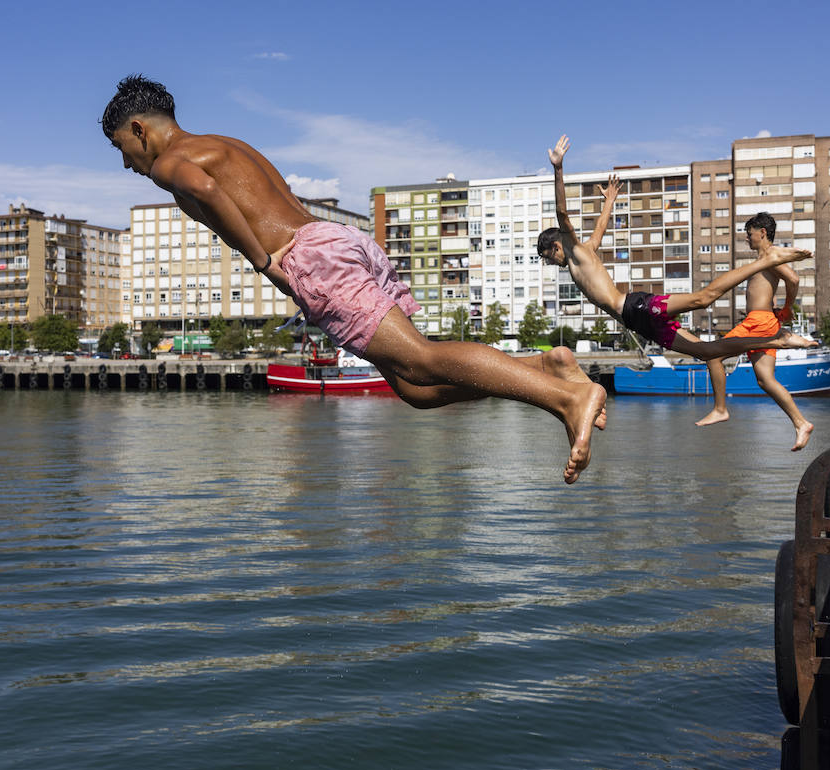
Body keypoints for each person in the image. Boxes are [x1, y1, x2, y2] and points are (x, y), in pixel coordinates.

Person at [101, 76, 606, 483]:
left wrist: (262, 262)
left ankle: (568, 399)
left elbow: (204, 190)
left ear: (140, 129)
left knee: (423, 360)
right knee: (415, 390)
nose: (127, 163)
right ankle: (547, 367)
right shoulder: (224, 143)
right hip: (333, 240)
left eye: (122, 147)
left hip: (309, 260)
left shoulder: (172, 162)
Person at [538, 135, 817, 365]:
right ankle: (777, 340)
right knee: (706, 352)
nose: (551, 264)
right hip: (637, 321)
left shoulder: (575, 251)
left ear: (556, 246)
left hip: (636, 307)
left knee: (702, 299)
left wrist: (558, 169)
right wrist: (610, 201)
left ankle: (764, 261)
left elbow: (562, 211)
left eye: (548, 257)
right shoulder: (586, 251)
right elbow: (600, 228)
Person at [695, 212, 815, 451]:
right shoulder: (766, 257)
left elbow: (793, 279)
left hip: (759, 322)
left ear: (762, 233)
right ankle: (801, 423)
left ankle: (720, 409)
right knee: (765, 380)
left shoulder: (770, 255)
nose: (747, 239)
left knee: (713, 354)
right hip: (762, 320)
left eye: (749, 235)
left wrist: (789, 307)